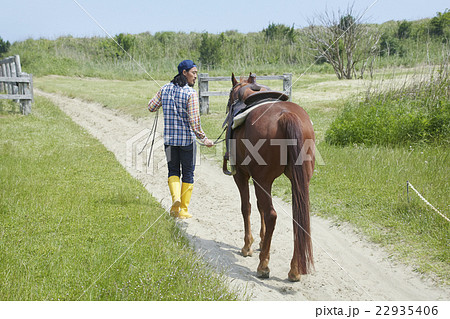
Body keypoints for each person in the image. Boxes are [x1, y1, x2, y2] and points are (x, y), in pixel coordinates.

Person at [148, 60, 214, 219]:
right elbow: (194, 121)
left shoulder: (164, 89)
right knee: (189, 174)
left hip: (170, 142)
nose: (195, 76)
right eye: (193, 73)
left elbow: (151, 107)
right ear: (184, 73)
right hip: (187, 143)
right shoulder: (190, 93)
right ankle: (183, 209)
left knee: (173, 171)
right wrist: (204, 139)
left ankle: (175, 201)